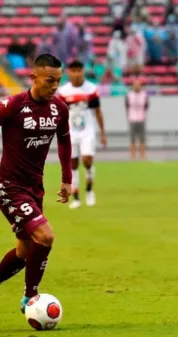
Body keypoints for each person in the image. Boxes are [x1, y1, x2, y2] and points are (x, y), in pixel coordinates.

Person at [0, 54, 72, 312]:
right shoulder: (13, 105)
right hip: (9, 187)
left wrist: (67, 179)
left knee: (24, 250)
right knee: (45, 236)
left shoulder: (59, 109)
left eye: (58, 81)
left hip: (34, 187)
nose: (54, 86)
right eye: (49, 80)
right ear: (34, 78)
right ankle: (30, 297)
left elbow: (64, 140)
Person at [58, 60, 108, 209]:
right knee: (72, 164)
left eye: (79, 70)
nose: (76, 74)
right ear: (69, 72)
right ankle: (77, 198)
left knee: (87, 161)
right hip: (70, 131)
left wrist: (103, 133)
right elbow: (59, 114)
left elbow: (98, 111)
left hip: (87, 130)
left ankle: (89, 190)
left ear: (83, 72)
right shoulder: (63, 91)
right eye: (73, 71)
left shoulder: (91, 89)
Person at [126, 79, 149, 160]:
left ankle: (142, 155)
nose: (136, 86)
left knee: (142, 138)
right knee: (132, 138)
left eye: (138, 85)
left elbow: (146, 106)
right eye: (135, 85)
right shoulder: (129, 94)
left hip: (141, 118)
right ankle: (132, 156)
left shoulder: (144, 94)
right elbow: (127, 106)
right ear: (132, 86)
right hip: (132, 118)